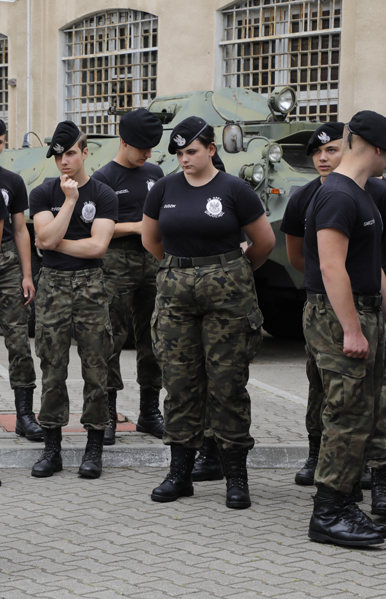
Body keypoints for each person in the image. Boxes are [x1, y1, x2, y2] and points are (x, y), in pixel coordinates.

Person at [143, 116, 275, 510]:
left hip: (228, 300)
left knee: (227, 385)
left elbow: (264, 241)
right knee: (180, 385)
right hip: (176, 299)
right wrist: (182, 271)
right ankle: (180, 474)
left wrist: (231, 272)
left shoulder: (235, 189)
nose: (184, 159)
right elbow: (151, 240)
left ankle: (235, 477)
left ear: (211, 149)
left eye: (192, 151)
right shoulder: (164, 189)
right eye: (179, 153)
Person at [280, 122, 386, 520]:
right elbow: (331, 268)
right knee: (345, 412)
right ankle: (330, 512)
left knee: (363, 408)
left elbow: (373, 266)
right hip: (341, 316)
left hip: (367, 310)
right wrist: (352, 329)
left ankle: (348, 503)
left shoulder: (361, 192)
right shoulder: (337, 195)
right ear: (376, 150)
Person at [28, 121, 117, 479]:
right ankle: (52, 449)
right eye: (57, 156)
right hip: (52, 286)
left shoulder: (104, 194)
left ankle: (93, 449)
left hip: (90, 286)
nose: (63, 161)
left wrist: (52, 242)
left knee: (96, 368)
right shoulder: (42, 193)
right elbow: (44, 236)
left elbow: (97, 247)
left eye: (70, 154)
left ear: (84, 152)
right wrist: (69, 202)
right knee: (52, 368)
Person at [91, 108, 166, 444]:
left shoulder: (155, 173)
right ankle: (108, 413)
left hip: (152, 260)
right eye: (142, 148)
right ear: (124, 142)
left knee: (153, 337)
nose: (147, 154)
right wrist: (136, 227)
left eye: (151, 148)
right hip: (116, 262)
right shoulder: (105, 178)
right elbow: (96, 228)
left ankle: (149, 412)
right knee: (112, 337)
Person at [0, 119, 43, 443]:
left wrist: (27, 274)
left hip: (8, 264)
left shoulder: (12, 181)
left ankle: (24, 415)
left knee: (19, 342)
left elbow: (22, 229)